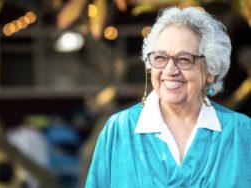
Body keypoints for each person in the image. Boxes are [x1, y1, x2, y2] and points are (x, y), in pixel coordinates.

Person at [85, 6, 251, 187]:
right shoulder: (119, 130)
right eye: (160, 58)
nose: (170, 70)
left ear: (210, 70)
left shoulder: (241, 132)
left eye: (185, 59)